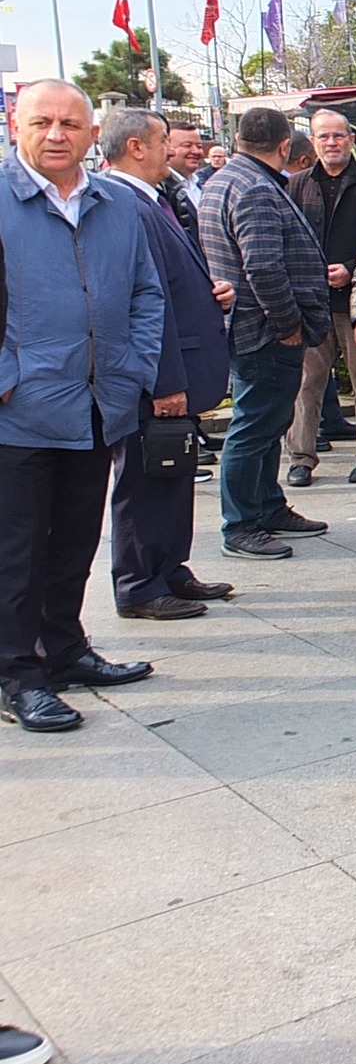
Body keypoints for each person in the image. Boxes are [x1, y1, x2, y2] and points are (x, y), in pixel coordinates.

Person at [0, 80, 163, 733]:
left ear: (94, 135)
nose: (57, 134)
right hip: (21, 415)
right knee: (17, 553)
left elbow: (148, 292)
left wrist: (133, 368)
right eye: (43, 121)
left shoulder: (113, 205)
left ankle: (65, 651)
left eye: (71, 123)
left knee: (73, 544)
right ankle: (16, 673)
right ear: (17, 125)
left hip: (99, 407)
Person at [97, 107, 237, 620]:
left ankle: (169, 569)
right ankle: (139, 584)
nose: (170, 153)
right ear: (135, 147)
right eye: (161, 142)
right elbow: (144, 302)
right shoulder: (123, 203)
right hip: (156, 379)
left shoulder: (148, 200)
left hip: (177, 369)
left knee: (171, 475)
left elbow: (172, 283)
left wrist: (209, 293)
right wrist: (165, 380)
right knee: (143, 482)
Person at [199, 106, 333, 561]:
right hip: (263, 331)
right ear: (284, 146)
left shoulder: (223, 179)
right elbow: (263, 266)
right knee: (255, 425)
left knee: (269, 421)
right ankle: (241, 524)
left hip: (248, 325)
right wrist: (288, 325)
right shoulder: (255, 187)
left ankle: (267, 507)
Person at [284, 109, 356, 487]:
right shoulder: (296, 185)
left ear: (352, 140)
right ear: (312, 142)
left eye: (338, 136)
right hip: (311, 302)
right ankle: (300, 457)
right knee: (306, 384)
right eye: (324, 137)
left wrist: (349, 267)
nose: (332, 143)